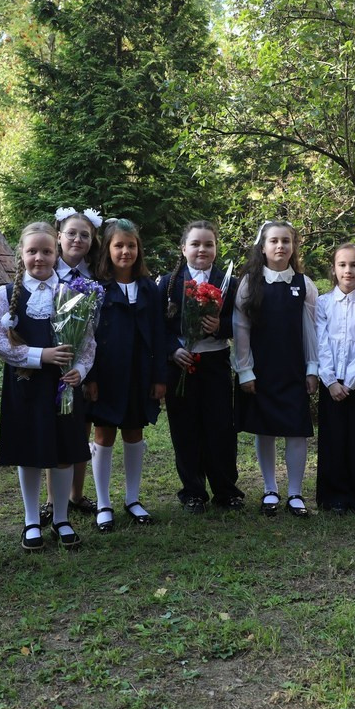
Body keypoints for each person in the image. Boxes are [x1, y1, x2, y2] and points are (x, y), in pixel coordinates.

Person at [0, 221, 95, 550]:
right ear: (21, 254)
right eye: (32, 251)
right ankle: (31, 521)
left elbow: (88, 341)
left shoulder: (73, 291)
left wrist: (80, 369)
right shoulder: (4, 294)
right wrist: (41, 355)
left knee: (64, 451)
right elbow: (0, 343)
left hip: (63, 385)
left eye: (47, 251)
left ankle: (61, 518)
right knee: (30, 452)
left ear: (56, 253)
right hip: (26, 385)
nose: (40, 257)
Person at [233, 220, 319, 517]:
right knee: (265, 429)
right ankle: (270, 489)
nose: (280, 246)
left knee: (296, 431)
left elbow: (311, 329)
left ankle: (295, 492)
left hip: (293, 369)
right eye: (274, 241)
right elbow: (240, 328)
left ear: (293, 247)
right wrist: (245, 370)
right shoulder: (250, 283)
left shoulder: (304, 284)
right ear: (263, 247)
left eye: (286, 241)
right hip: (261, 370)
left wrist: (312, 368)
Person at [86, 218, 167, 531]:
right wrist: (91, 377)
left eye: (131, 245)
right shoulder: (97, 287)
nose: (125, 251)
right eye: (118, 245)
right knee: (104, 434)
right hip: (106, 375)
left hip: (140, 375)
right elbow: (88, 336)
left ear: (138, 249)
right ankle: (103, 503)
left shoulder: (149, 288)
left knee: (134, 433)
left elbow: (158, 335)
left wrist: (159, 377)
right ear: (108, 248)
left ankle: (133, 498)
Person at [159, 220, 243, 513]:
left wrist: (220, 326)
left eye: (209, 244)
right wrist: (173, 349)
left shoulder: (229, 283)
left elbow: (240, 323)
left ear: (216, 248)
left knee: (220, 427)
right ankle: (193, 491)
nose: (202, 249)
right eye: (195, 244)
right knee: (185, 428)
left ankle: (226, 490)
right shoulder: (168, 283)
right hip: (180, 363)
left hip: (215, 362)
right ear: (183, 248)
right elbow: (158, 325)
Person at [43, 206, 103, 524]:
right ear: (59, 236)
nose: (77, 239)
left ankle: (76, 494)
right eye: (71, 233)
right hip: (51, 363)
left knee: (81, 430)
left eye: (85, 235)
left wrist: (88, 372)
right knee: (54, 431)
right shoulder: (46, 272)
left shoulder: (95, 277)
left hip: (84, 367)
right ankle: (53, 499)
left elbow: (98, 330)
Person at [314, 242, 355, 514]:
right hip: (331, 383)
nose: (348, 270)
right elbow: (320, 342)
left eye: (354, 265)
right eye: (342, 265)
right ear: (334, 269)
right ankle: (333, 496)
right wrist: (330, 381)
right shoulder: (323, 303)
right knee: (333, 439)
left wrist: (350, 383)